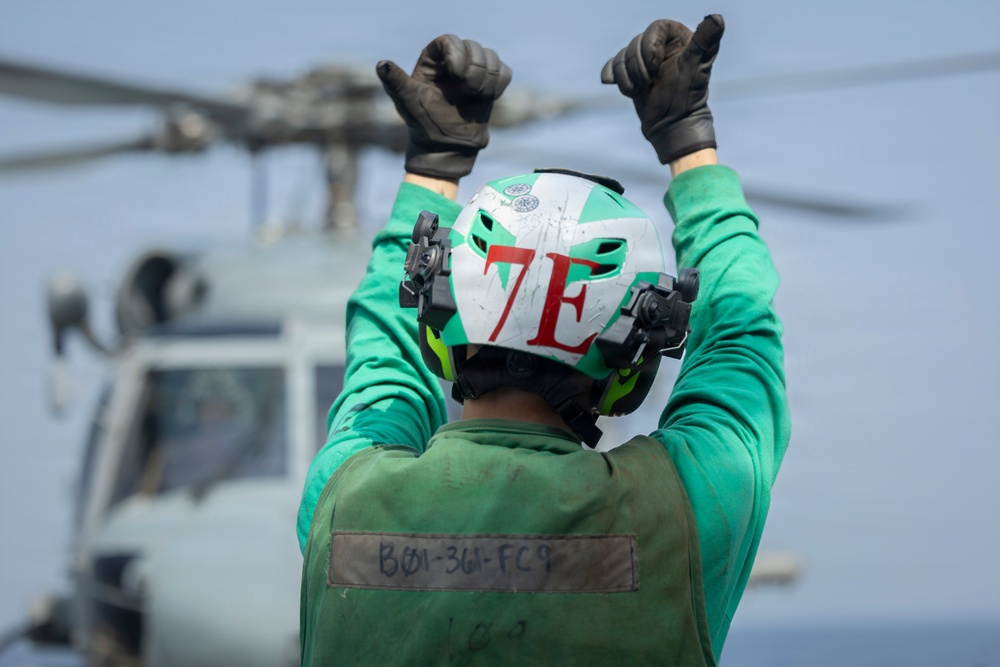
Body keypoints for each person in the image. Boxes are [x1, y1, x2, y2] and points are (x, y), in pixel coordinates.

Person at [298, 17, 789, 666]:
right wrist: (688, 141)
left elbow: (383, 356)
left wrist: (433, 166)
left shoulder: (342, 497)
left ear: (440, 330)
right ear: (630, 370)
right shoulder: (687, 509)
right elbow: (740, 335)